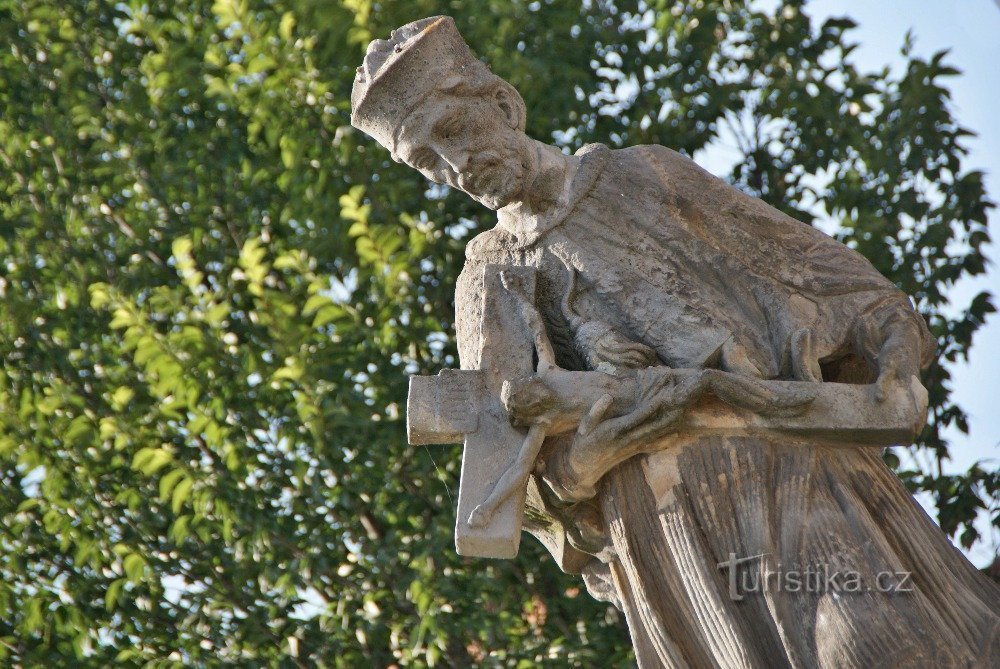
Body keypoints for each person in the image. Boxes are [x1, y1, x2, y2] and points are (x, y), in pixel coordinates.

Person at [352, 16, 999, 667]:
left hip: (791, 468)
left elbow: (823, 275)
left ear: (502, 103)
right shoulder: (487, 278)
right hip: (671, 545)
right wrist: (600, 445)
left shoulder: (645, 176)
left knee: (877, 649)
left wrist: (891, 357)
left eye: (455, 131)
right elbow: (510, 493)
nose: (456, 166)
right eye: (426, 162)